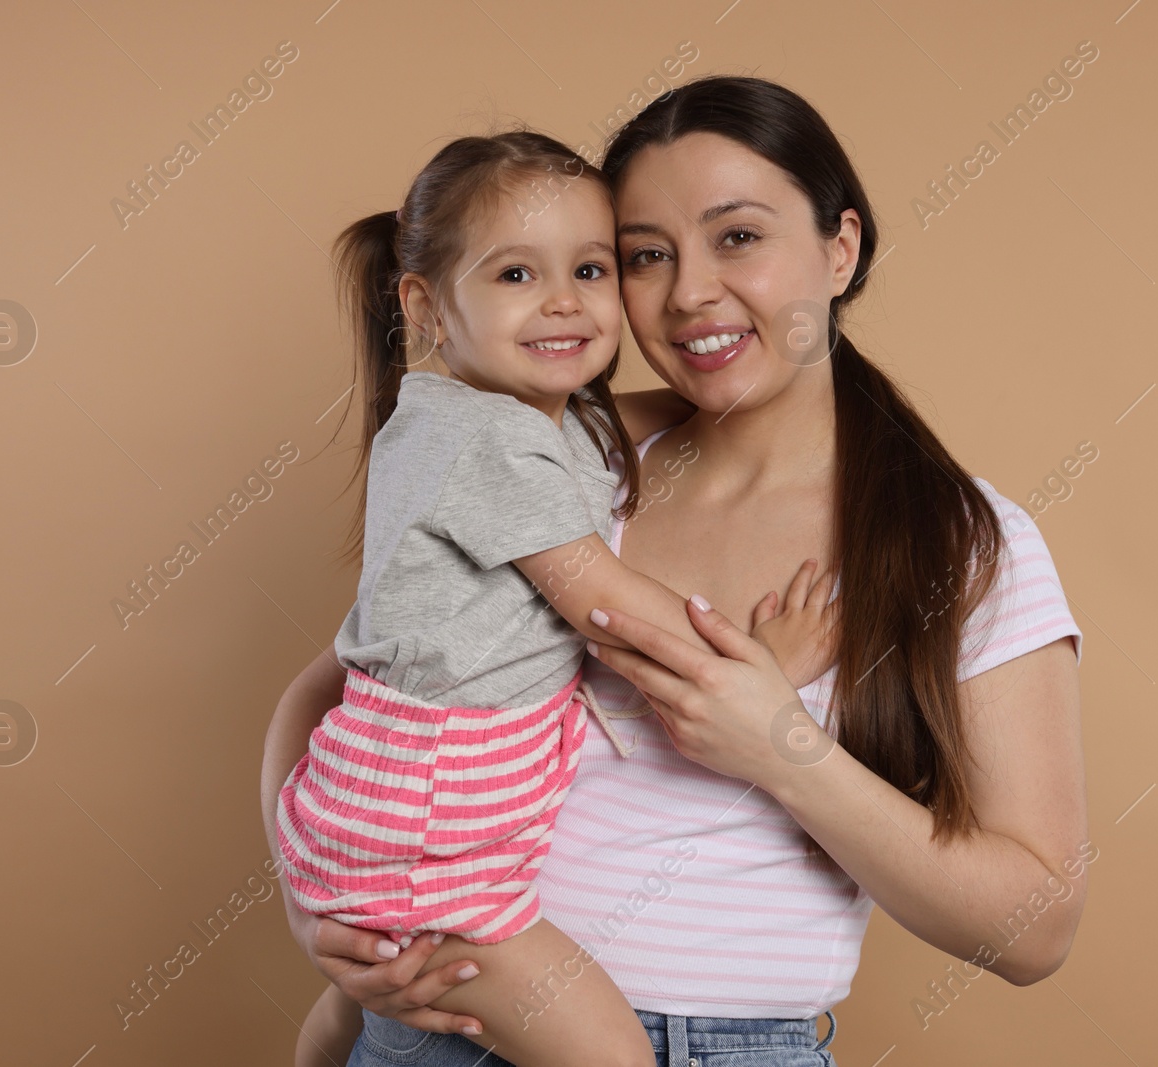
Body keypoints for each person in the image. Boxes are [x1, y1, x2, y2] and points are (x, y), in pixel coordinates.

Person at [261, 76, 1087, 1067]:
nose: (689, 291)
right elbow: (346, 686)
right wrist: (317, 912)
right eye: (646, 255)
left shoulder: (954, 539)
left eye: (737, 236)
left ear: (840, 247)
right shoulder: (570, 454)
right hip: (448, 1019)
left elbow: (1033, 926)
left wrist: (780, 745)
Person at [274, 127, 835, 1067]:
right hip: (434, 825)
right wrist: (755, 668)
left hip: (425, 809)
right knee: (609, 1054)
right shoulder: (486, 439)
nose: (565, 303)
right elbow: (601, 599)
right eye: (516, 277)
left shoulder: (535, 419)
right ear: (426, 306)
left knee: (380, 1015)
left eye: (593, 267)